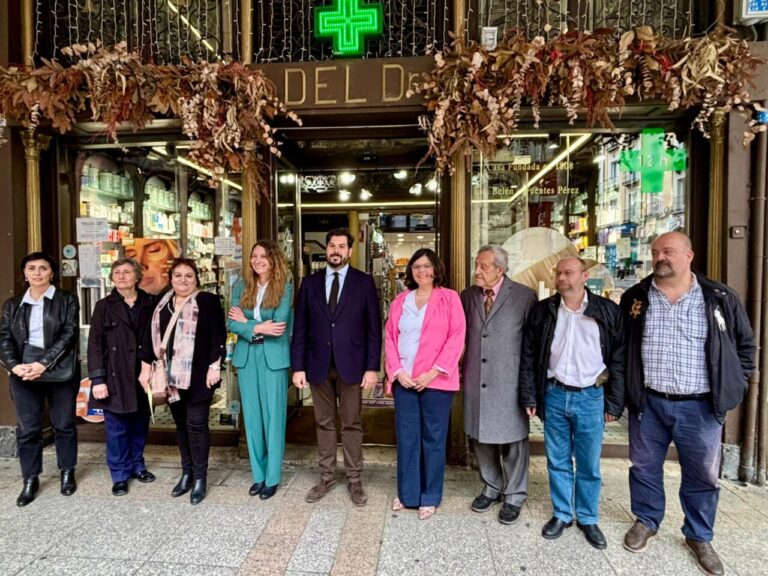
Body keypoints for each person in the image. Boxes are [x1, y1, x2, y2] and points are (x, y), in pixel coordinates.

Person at [620, 232, 755, 576]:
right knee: (644, 467)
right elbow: (622, 349)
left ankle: (699, 535)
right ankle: (647, 520)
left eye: (668, 251)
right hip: (649, 402)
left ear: (689, 255)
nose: (660, 257)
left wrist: (733, 387)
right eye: (655, 252)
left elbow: (744, 347)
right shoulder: (636, 298)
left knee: (702, 475)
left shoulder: (718, 298)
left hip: (700, 406)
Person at [520, 256, 625, 549]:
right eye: (559, 273)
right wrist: (530, 395)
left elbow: (619, 359)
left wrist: (614, 404)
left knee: (589, 462)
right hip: (554, 393)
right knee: (557, 459)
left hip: (591, 396)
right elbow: (529, 357)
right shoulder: (544, 311)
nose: (562, 278)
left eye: (568, 273)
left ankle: (588, 517)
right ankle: (562, 513)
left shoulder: (606, 312)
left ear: (584, 275)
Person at [291, 228, 382, 506]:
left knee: (352, 423)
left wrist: (371, 367)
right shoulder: (309, 283)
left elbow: (373, 329)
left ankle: (355, 480)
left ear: (350, 251)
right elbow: (301, 328)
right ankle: (327, 476)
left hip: (353, 365)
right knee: (324, 422)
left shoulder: (363, 283)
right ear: (326, 249)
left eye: (341, 246)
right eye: (332, 245)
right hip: (317, 365)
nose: (336, 250)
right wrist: (298, 366)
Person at [385, 248, 465, 520]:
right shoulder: (400, 300)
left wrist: (433, 373)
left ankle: (430, 495)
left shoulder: (450, 298)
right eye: (417, 266)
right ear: (411, 271)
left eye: (427, 266)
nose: (422, 271)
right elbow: (390, 338)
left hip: (437, 381)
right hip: (405, 380)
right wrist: (397, 371)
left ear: (436, 269)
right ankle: (408, 494)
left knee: (433, 438)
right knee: (407, 437)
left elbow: (457, 337)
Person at [139, 258, 226, 505]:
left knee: (196, 423)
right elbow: (150, 337)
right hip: (171, 377)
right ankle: (186, 472)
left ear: (196, 278)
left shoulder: (207, 301)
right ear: (171, 278)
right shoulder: (161, 303)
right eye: (178, 275)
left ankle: (200, 477)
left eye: (189, 275)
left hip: (200, 376)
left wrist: (214, 366)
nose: (183, 280)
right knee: (181, 425)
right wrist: (146, 369)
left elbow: (218, 336)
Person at [461, 245, 537, 525]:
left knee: (514, 440)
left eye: (483, 266)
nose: (477, 271)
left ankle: (515, 494)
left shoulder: (524, 296)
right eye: (476, 265)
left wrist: (530, 388)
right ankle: (492, 486)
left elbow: (531, 345)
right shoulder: (468, 296)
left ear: (500, 270)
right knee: (481, 437)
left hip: (510, 379)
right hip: (475, 378)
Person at [0, 252, 80, 507]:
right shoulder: (12, 305)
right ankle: (30, 478)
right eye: (31, 268)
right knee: (29, 429)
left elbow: (69, 335)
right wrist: (14, 366)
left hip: (58, 370)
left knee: (64, 424)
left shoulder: (67, 300)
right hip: (23, 371)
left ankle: (67, 472)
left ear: (52, 273)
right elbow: (4, 339)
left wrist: (43, 363)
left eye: (43, 268)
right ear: (25, 274)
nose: (37, 273)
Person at [227, 240, 293, 501]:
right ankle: (258, 474)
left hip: (273, 359)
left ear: (274, 259)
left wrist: (249, 324)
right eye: (254, 256)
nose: (257, 260)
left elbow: (279, 325)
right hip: (246, 358)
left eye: (263, 256)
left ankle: (273, 476)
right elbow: (231, 322)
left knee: (273, 419)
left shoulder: (284, 287)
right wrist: (258, 327)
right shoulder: (240, 286)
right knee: (252, 419)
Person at [88, 258, 156, 496]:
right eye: (117, 272)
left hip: (142, 373)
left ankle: (137, 465)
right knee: (116, 429)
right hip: (114, 375)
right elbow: (94, 345)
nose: (121, 276)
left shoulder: (150, 302)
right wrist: (98, 380)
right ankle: (119, 474)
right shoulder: (104, 306)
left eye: (127, 272)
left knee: (139, 424)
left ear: (137, 276)